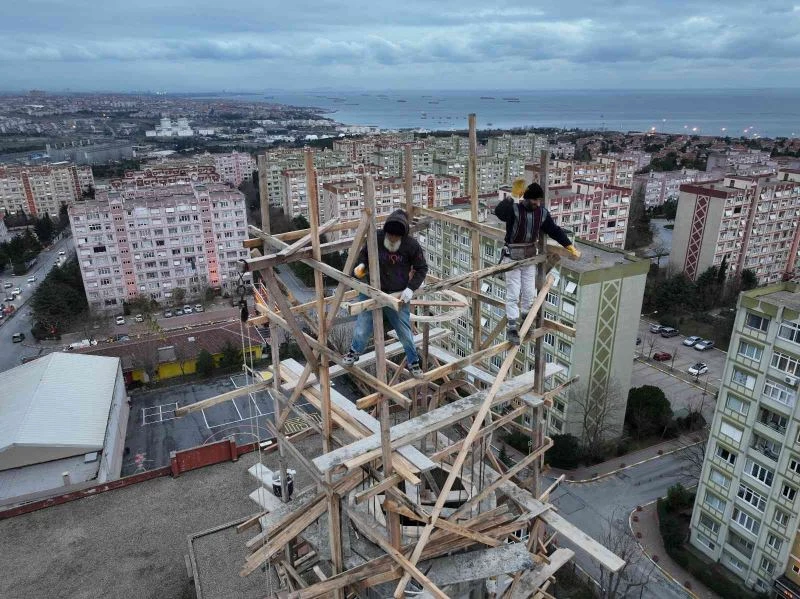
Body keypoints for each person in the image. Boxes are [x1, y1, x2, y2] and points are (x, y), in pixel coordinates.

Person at [342, 209, 428, 378]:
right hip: (372, 290)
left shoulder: (411, 245)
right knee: (362, 327)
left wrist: (411, 288)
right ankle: (354, 352)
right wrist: (361, 266)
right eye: (390, 235)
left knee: (404, 331)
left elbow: (422, 268)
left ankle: (413, 362)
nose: (392, 239)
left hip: (396, 294)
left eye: (395, 237)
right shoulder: (377, 238)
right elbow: (364, 255)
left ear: (402, 236)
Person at [494, 180, 582, 344]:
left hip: (529, 257)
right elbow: (499, 213)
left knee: (529, 293)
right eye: (534, 200)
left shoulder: (541, 213)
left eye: (538, 200)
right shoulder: (514, 209)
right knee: (513, 294)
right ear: (526, 198)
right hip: (512, 256)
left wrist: (568, 245)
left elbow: (554, 230)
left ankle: (526, 324)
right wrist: (512, 197)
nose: (536, 203)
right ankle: (512, 329)